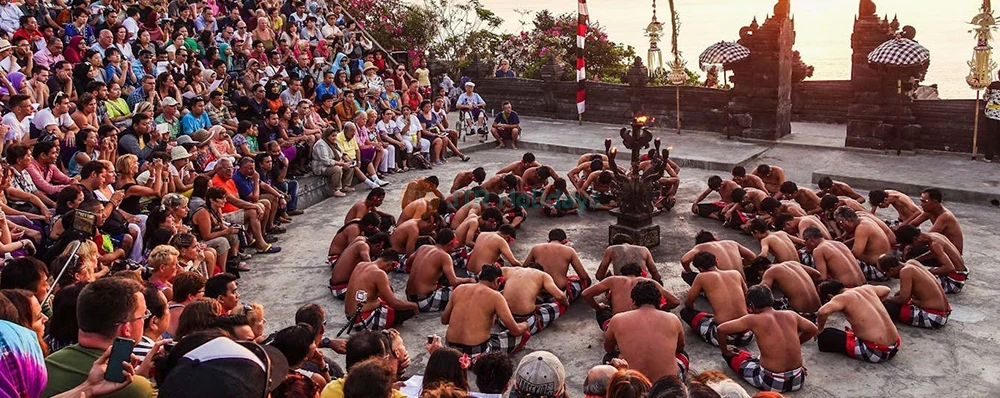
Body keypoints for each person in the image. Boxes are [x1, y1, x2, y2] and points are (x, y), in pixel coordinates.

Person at [42, 277, 155, 397]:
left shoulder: (45, 366)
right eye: (143, 315)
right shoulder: (138, 389)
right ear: (126, 329)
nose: (144, 320)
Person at [717, 285, 818, 393]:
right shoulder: (791, 315)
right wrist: (797, 343)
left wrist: (725, 351)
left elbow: (721, 329)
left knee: (736, 356)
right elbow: (813, 329)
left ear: (752, 305)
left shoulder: (753, 319)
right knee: (759, 358)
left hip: (772, 382)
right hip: (798, 379)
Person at [604, 280, 689, 381]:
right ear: (659, 302)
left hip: (633, 384)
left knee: (608, 357)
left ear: (633, 302)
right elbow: (680, 347)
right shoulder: (672, 319)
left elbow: (609, 348)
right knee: (683, 354)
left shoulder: (617, 319)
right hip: (666, 385)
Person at [442, 264, 529, 359]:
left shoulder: (459, 288)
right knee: (523, 334)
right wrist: (525, 325)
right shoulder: (496, 297)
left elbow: (444, 320)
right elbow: (515, 331)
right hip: (476, 352)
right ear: (497, 280)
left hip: (450, 350)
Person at [816, 281, 901, 363]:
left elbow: (822, 312)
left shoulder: (842, 298)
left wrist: (819, 329)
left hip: (876, 352)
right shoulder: (866, 288)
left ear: (831, 296)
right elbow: (886, 290)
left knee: (825, 336)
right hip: (894, 346)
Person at [681, 252, 753, 347]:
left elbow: (689, 302)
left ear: (701, 269)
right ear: (716, 261)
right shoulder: (735, 273)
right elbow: (748, 296)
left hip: (722, 335)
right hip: (747, 333)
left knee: (685, 312)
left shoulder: (701, 277)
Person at [582, 263, 679, 331]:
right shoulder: (648, 282)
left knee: (602, 310)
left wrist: (598, 307)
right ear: (640, 274)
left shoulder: (613, 280)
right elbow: (675, 301)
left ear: (622, 274)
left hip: (618, 328)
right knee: (663, 313)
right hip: (645, 327)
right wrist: (661, 309)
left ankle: (611, 331)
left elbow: (586, 294)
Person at [343, 249, 418, 330]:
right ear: (390, 264)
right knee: (407, 310)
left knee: (384, 298)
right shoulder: (379, 274)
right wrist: (414, 305)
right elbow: (394, 303)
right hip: (363, 320)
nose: (390, 272)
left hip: (350, 317)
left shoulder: (361, 264)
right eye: (392, 268)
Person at [405, 229, 476, 312]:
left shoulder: (423, 247)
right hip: (425, 302)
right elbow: (454, 282)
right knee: (463, 291)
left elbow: (408, 262)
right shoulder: (444, 256)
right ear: (450, 243)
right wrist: (469, 280)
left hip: (409, 297)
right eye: (454, 244)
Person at [877, 254, 951, 329]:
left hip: (935, 318)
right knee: (893, 301)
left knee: (887, 306)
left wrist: (886, 299)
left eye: (886, 273)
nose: (887, 276)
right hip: (944, 313)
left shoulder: (905, 271)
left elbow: (903, 299)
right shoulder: (912, 263)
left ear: (891, 270)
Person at [895, 225, 968, 294]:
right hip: (960, 275)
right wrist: (918, 259)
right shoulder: (934, 235)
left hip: (954, 283)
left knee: (914, 277)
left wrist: (924, 273)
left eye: (911, 244)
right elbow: (936, 252)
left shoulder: (934, 245)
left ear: (915, 239)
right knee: (915, 266)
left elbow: (950, 268)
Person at [522, 228, 591, 302]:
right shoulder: (569, 251)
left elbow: (523, 268)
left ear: (548, 240)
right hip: (558, 292)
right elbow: (583, 277)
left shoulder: (536, 248)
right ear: (565, 241)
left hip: (538, 291)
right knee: (581, 281)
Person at [499, 264, 570, 335]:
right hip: (527, 323)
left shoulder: (509, 270)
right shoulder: (543, 275)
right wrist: (566, 304)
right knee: (559, 305)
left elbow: (493, 271)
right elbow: (560, 296)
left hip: (504, 322)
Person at [745, 258, 821, 319]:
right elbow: (818, 275)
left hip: (800, 313)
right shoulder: (793, 263)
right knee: (780, 300)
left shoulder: (770, 271)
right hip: (818, 311)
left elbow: (758, 292)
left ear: (760, 272)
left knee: (765, 308)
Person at [834, 206, 891, 282]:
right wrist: (843, 244)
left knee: (840, 259)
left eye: (841, 223)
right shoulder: (863, 219)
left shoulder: (862, 228)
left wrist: (838, 251)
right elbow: (860, 238)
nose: (840, 227)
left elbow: (856, 254)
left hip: (879, 270)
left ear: (849, 220)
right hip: (883, 263)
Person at [679, 231, 755, 284]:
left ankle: (705, 292)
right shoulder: (732, 242)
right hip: (741, 283)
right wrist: (739, 263)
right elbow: (753, 257)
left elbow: (684, 260)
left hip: (723, 286)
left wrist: (689, 271)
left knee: (685, 274)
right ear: (715, 239)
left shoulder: (701, 247)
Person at [329, 232, 390, 299]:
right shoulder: (363, 246)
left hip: (335, 286)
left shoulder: (360, 239)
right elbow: (370, 268)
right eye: (380, 251)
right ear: (378, 246)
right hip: (341, 290)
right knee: (376, 292)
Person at [801, 227, 866, 287]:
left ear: (809, 240)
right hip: (864, 285)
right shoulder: (839, 244)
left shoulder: (818, 250)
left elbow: (822, 278)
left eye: (805, 241)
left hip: (849, 288)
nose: (804, 245)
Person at [907, 188, 964, 253]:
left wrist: (910, 245)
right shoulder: (929, 211)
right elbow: (913, 224)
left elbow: (927, 237)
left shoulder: (945, 216)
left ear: (935, 202)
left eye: (924, 202)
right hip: (941, 247)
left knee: (912, 252)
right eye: (921, 201)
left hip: (952, 253)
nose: (921, 204)